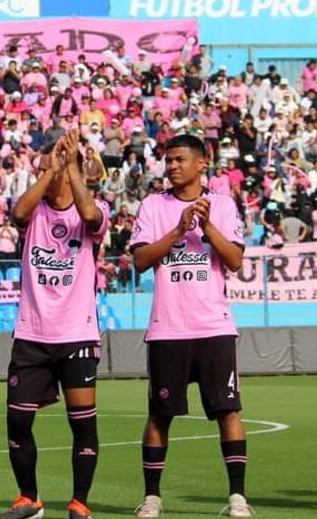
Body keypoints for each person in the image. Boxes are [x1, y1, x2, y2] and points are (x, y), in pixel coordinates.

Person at [128, 134, 252, 518]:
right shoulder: (152, 205)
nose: (172, 166)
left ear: (203, 163)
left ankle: (236, 497)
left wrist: (207, 226)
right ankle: (151, 497)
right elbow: (141, 261)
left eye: (180, 159)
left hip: (214, 326)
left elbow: (234, 260)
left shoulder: (224, 205)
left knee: (228, 411)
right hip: (168, 328)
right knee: (160, 414)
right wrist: (180, 229)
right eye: (169, 160)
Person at [0, 129, 110, 519]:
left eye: (51, 169)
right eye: (40, 169)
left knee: (82, 424)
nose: (44, 174)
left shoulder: (94, 211)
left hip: (76, 334)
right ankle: (29, 498)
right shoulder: (35, 213)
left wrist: (72, 166)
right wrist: (51, 168)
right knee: (17, 419)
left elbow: (91, 215)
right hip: (32, 334)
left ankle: (80, 501)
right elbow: (17, 214)